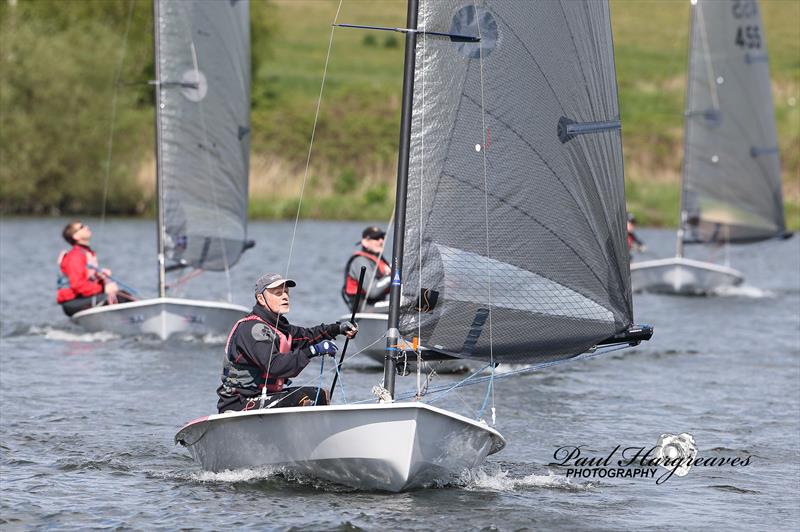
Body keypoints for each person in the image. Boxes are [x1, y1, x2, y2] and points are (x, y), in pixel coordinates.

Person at [217, 272, 359, 413]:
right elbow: (276, 366)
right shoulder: (253, 329)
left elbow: (307, 336)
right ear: (261, 299)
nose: (285, 296)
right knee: (301, 398)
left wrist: (337, 329)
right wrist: (314, 351)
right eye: (278, 293)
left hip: (263, 398)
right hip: (239, 403)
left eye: (286, 292)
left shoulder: (278, 328)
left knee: (319, 394)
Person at [56, 220, 133, 316]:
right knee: (118, 297)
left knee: (124, 294)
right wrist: (103, 289)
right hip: (72, 302)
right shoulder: (75, 256)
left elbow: (86, 280)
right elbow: (78, 286)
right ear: (75, 236)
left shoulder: (86, 253)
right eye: (82, 227)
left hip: (82, 297)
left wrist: (99, 276)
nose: (87, 227)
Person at [342, 225, 392, 309]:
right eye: (376, 238)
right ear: (365, 242)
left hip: (379, 307)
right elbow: (372, 291)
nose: (381, 241)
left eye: (382, 237)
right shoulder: (360, 261)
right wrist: (394, 276)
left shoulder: (381, 261)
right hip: (364, 310)